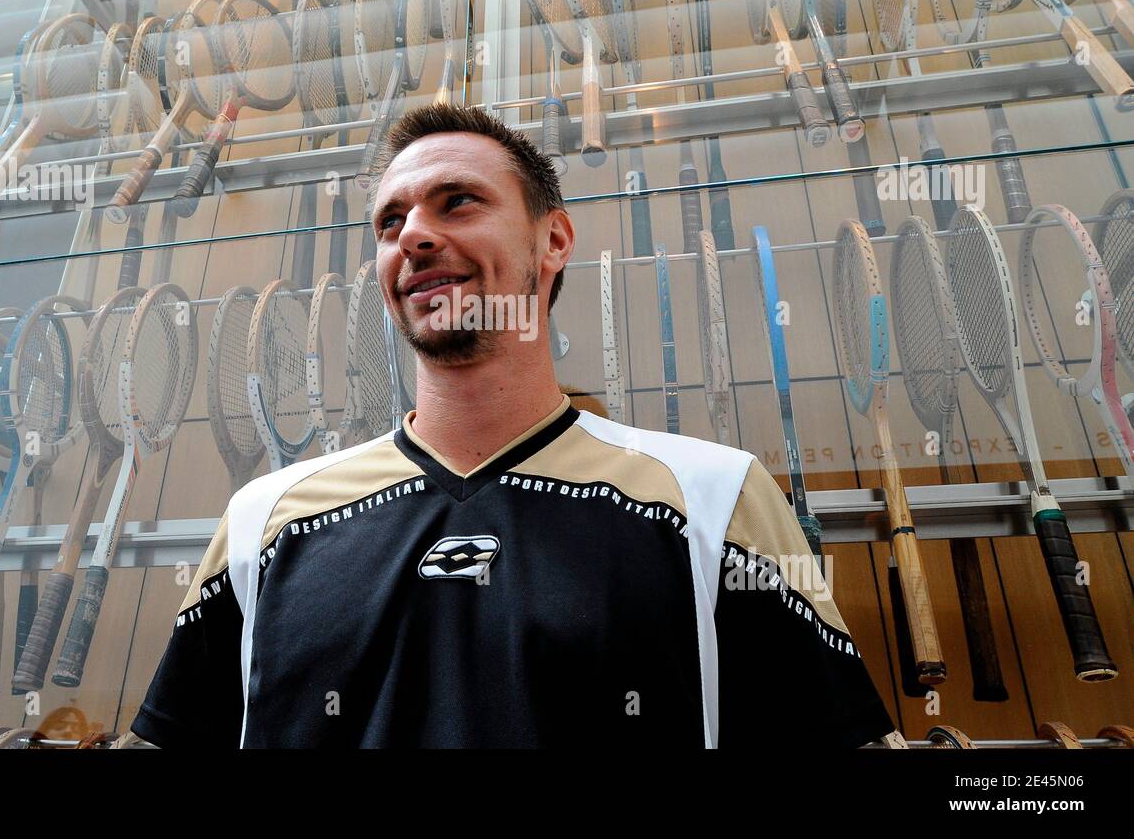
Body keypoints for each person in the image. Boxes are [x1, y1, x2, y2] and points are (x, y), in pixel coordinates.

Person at [132, 105, 898, 748]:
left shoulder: (715, 497)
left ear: (554, 240)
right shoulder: (260, 522)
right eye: (390, 221)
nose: (414, 236)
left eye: (457, 201)